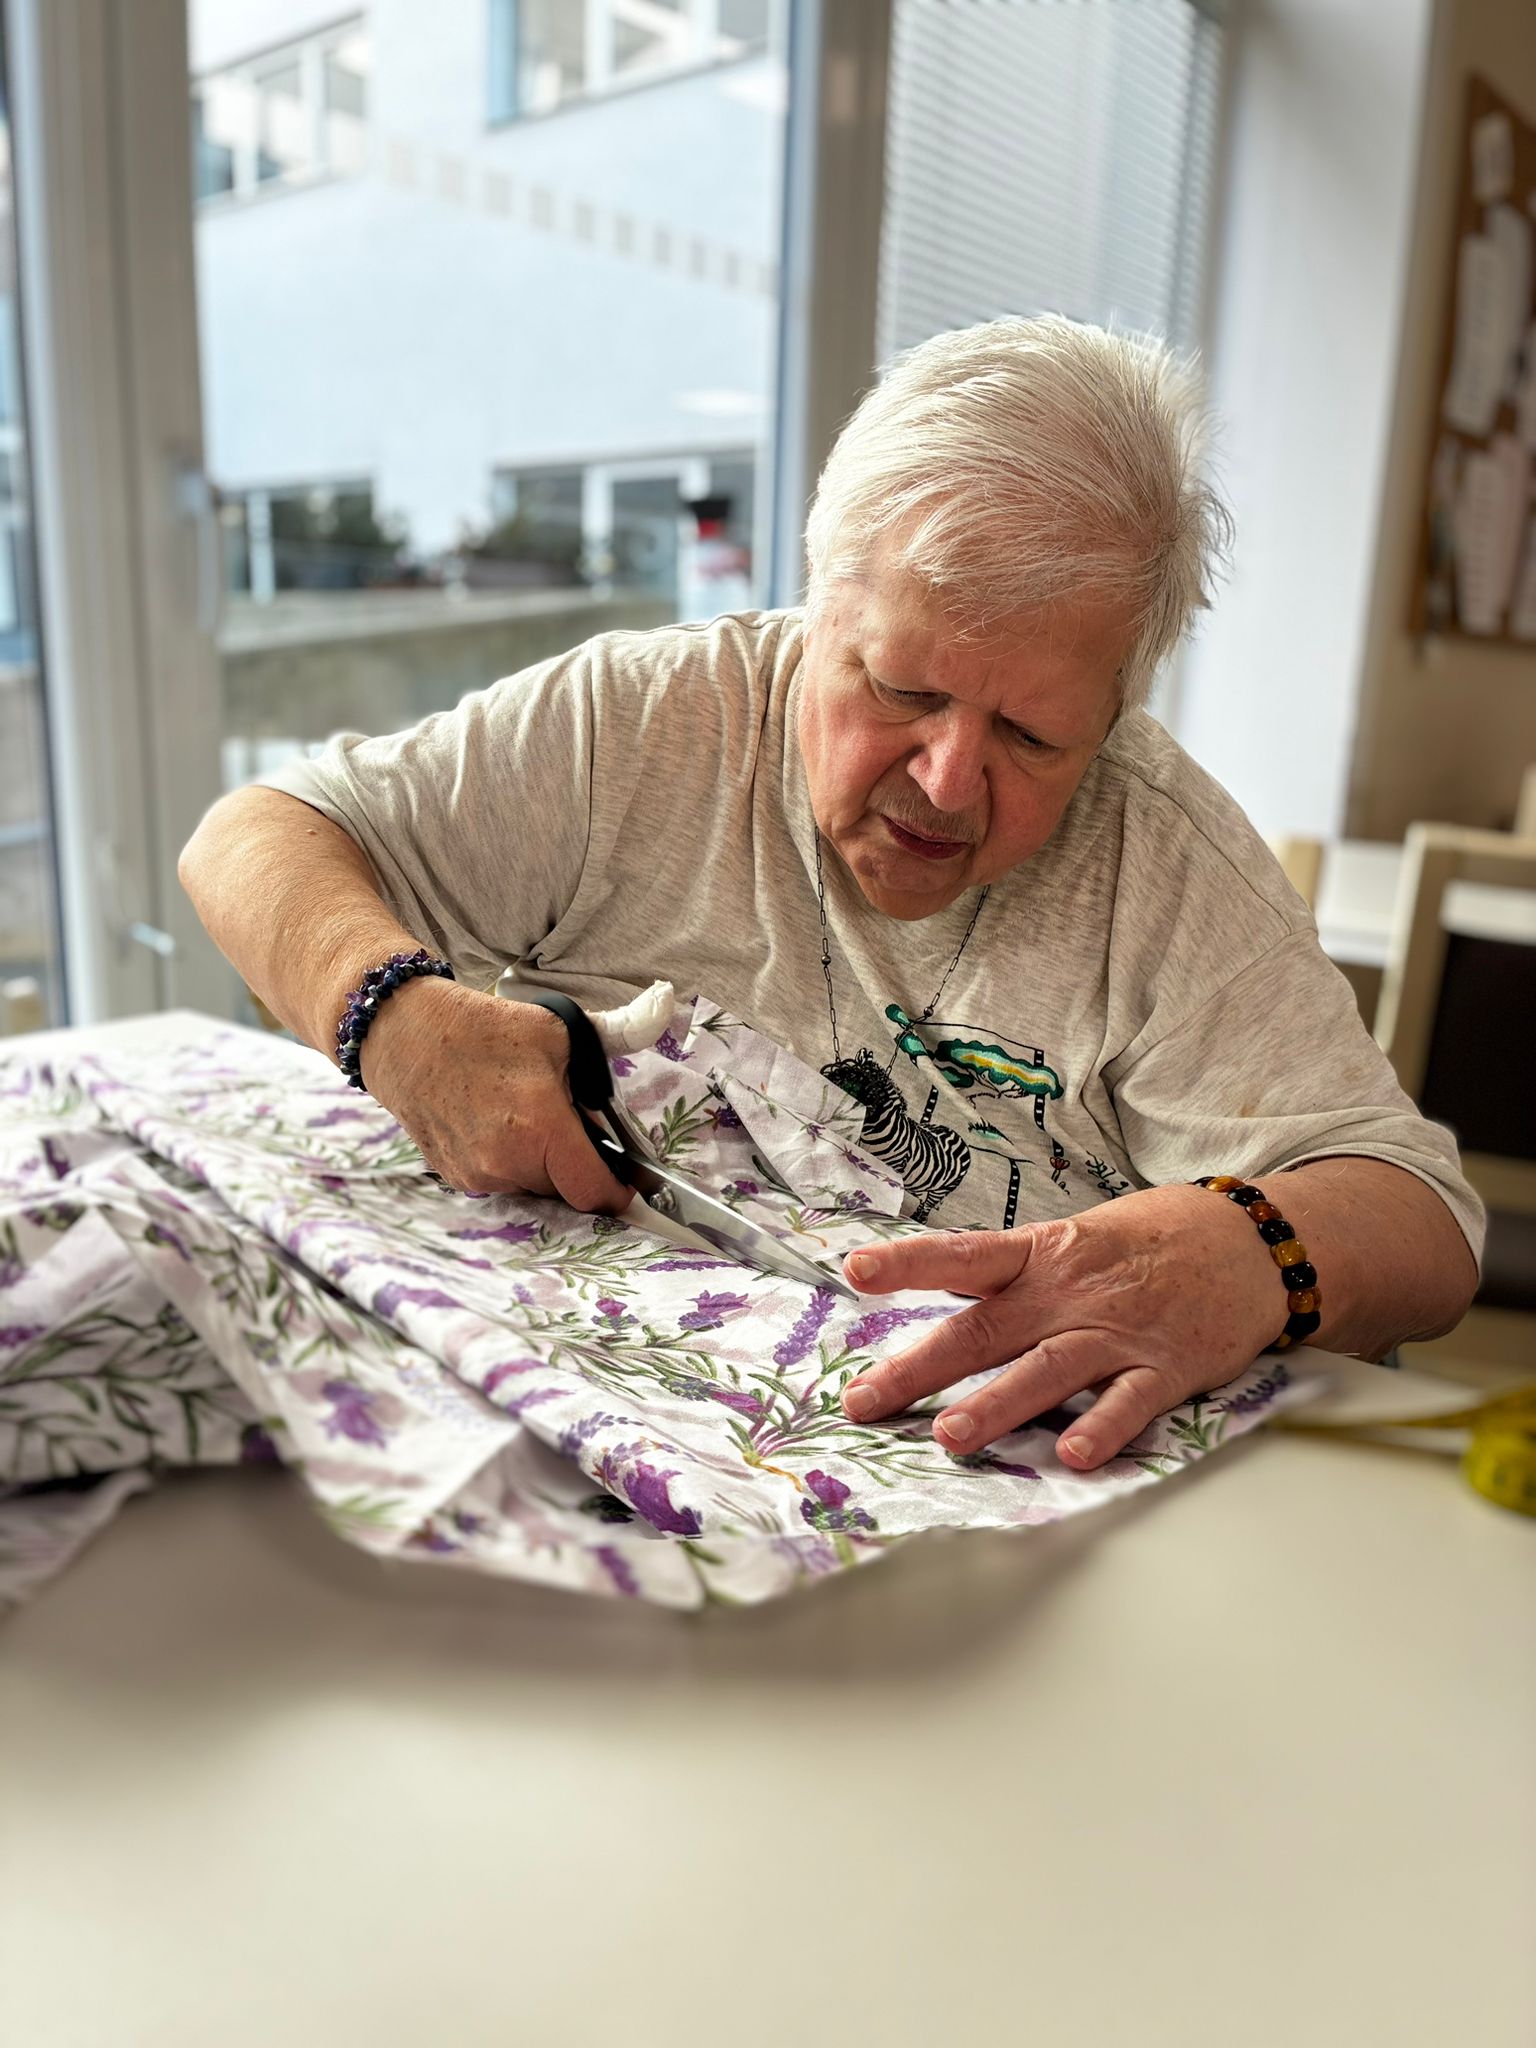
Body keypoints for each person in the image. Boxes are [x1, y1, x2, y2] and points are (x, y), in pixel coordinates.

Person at [180, 317, 1481, 1473]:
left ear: (1115, 716)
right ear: (816, 605)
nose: (949, 780)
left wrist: (1253, 1248)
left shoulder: (1166, 858)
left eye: (1033, 736)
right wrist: (395, 1014)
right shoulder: (641, 723)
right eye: (905, 689)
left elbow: (1424, 1223)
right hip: (594, 1418)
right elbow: (253, 836)